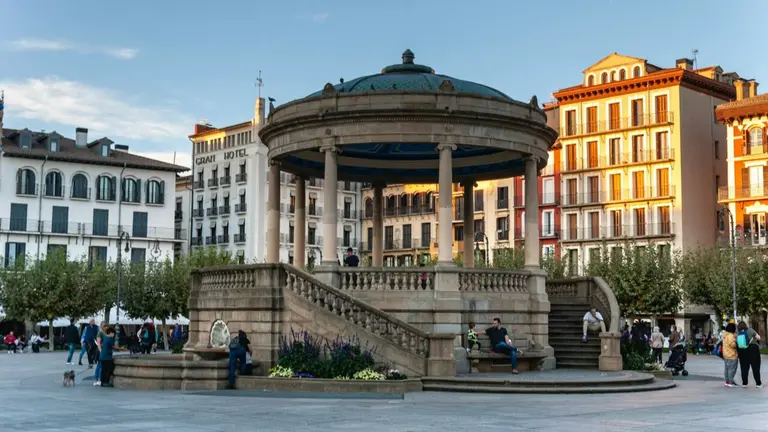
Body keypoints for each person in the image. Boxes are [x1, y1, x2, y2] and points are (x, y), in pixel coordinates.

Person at [736, 321, 762, 388]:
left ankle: (744, 383)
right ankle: (758, 383)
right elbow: (759, 337)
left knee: (744, 367)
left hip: (742, 351)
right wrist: (755, 338)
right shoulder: (750, 330)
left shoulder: (738, 333)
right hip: (753, 350)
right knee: (755, 367)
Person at [722, 322, 739, 387]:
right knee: (732, 369)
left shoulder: (725, 335)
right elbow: (732, 345)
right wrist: (736, 341)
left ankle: (727, 381)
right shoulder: (731, 336)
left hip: (726, 355)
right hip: (732, 355)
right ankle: (730, 382)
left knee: (727, 369)